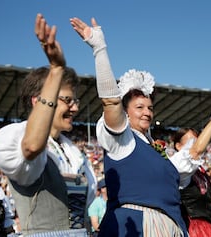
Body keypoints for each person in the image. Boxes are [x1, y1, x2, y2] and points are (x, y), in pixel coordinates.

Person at [70, 17, 188, 236]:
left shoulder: (154, 148)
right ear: (125, 112)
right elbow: (111, 102)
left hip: (170, 226)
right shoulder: (122, 139)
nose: (147, 112)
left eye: (150, 108)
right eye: (139, 107)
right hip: (137, 225)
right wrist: (99, 49)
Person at [0, 13, 96, 236]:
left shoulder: (73, 151)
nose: (75, 108)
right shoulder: (13, 137)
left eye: (75, 101)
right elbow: (31, 148)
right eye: (67, 100)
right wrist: (56, 69)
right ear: (38, 101)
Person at [168, 91, 211, 237]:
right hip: (191, 228)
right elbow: (196, 151)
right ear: (178, 146)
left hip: (205, 228)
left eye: (198, 140)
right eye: (190, 142)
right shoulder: (178, 165)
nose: (197, 145)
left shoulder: (197, 169)